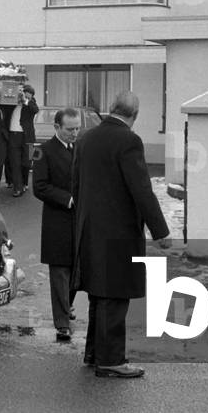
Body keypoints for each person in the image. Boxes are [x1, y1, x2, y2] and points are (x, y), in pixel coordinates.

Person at [72, 91, 170, 378]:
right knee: (114, 296)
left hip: (89, 229)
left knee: (98, 295)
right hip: (118, 231)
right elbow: (141, 190)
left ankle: (94, 354)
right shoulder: (128, 141)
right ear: (133, 116)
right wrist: (160, 230)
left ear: (112, 108)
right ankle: (111, 360)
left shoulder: (86, 138)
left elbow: (76, 184)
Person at [32, 107, 81, 342]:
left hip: (78, 221)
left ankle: (67, 306)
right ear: (57, 128)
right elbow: (39, 187)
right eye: (70, 129)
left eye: (77, 128)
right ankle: (61, 323)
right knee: (60, 273)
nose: (75, 133)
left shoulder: (79, 149)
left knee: (74, 272)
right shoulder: (43, 152)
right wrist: (68, 199)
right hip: (57, 221)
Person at [4, 83, 38, 197]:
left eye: (29, 96)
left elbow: (35, 110)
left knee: (27, 162)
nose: (26, 98)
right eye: (25, 95)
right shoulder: (12, 102)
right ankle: (17, 188)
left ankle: (24, 183)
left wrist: (26, 100)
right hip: (14, 135)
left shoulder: (31, 103)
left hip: (28, 137)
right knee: (15, 162)